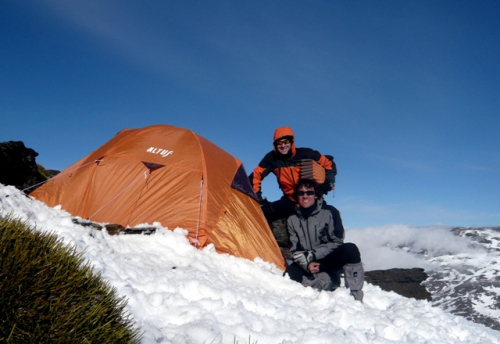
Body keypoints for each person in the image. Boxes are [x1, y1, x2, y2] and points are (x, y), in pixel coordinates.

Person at [284, 178, 364, 301]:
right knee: (289, 276)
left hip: (328, 259)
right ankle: (327, 281)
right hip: (307, 261)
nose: (305, 196)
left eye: (309, 192)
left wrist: (314, 255)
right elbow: (294, 249)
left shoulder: (330, 212)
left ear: (316, 195)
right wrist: (307, 264)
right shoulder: (292, 219)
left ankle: (356, 297)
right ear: (297, 196)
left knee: (350, 249)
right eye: (301, 193)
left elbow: (337, 241)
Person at [249, 126, 337, 223]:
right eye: (279, 143)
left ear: (292, 142)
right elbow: (256, 175)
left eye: (286, 142)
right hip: (290, 200)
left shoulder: (306, 153)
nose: (283, 146)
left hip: (309, 198)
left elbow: (329, 163)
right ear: (275, 145)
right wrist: (258, 198)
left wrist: (329, 182)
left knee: (328, 218)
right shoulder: (271, 158)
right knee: (263, 213)